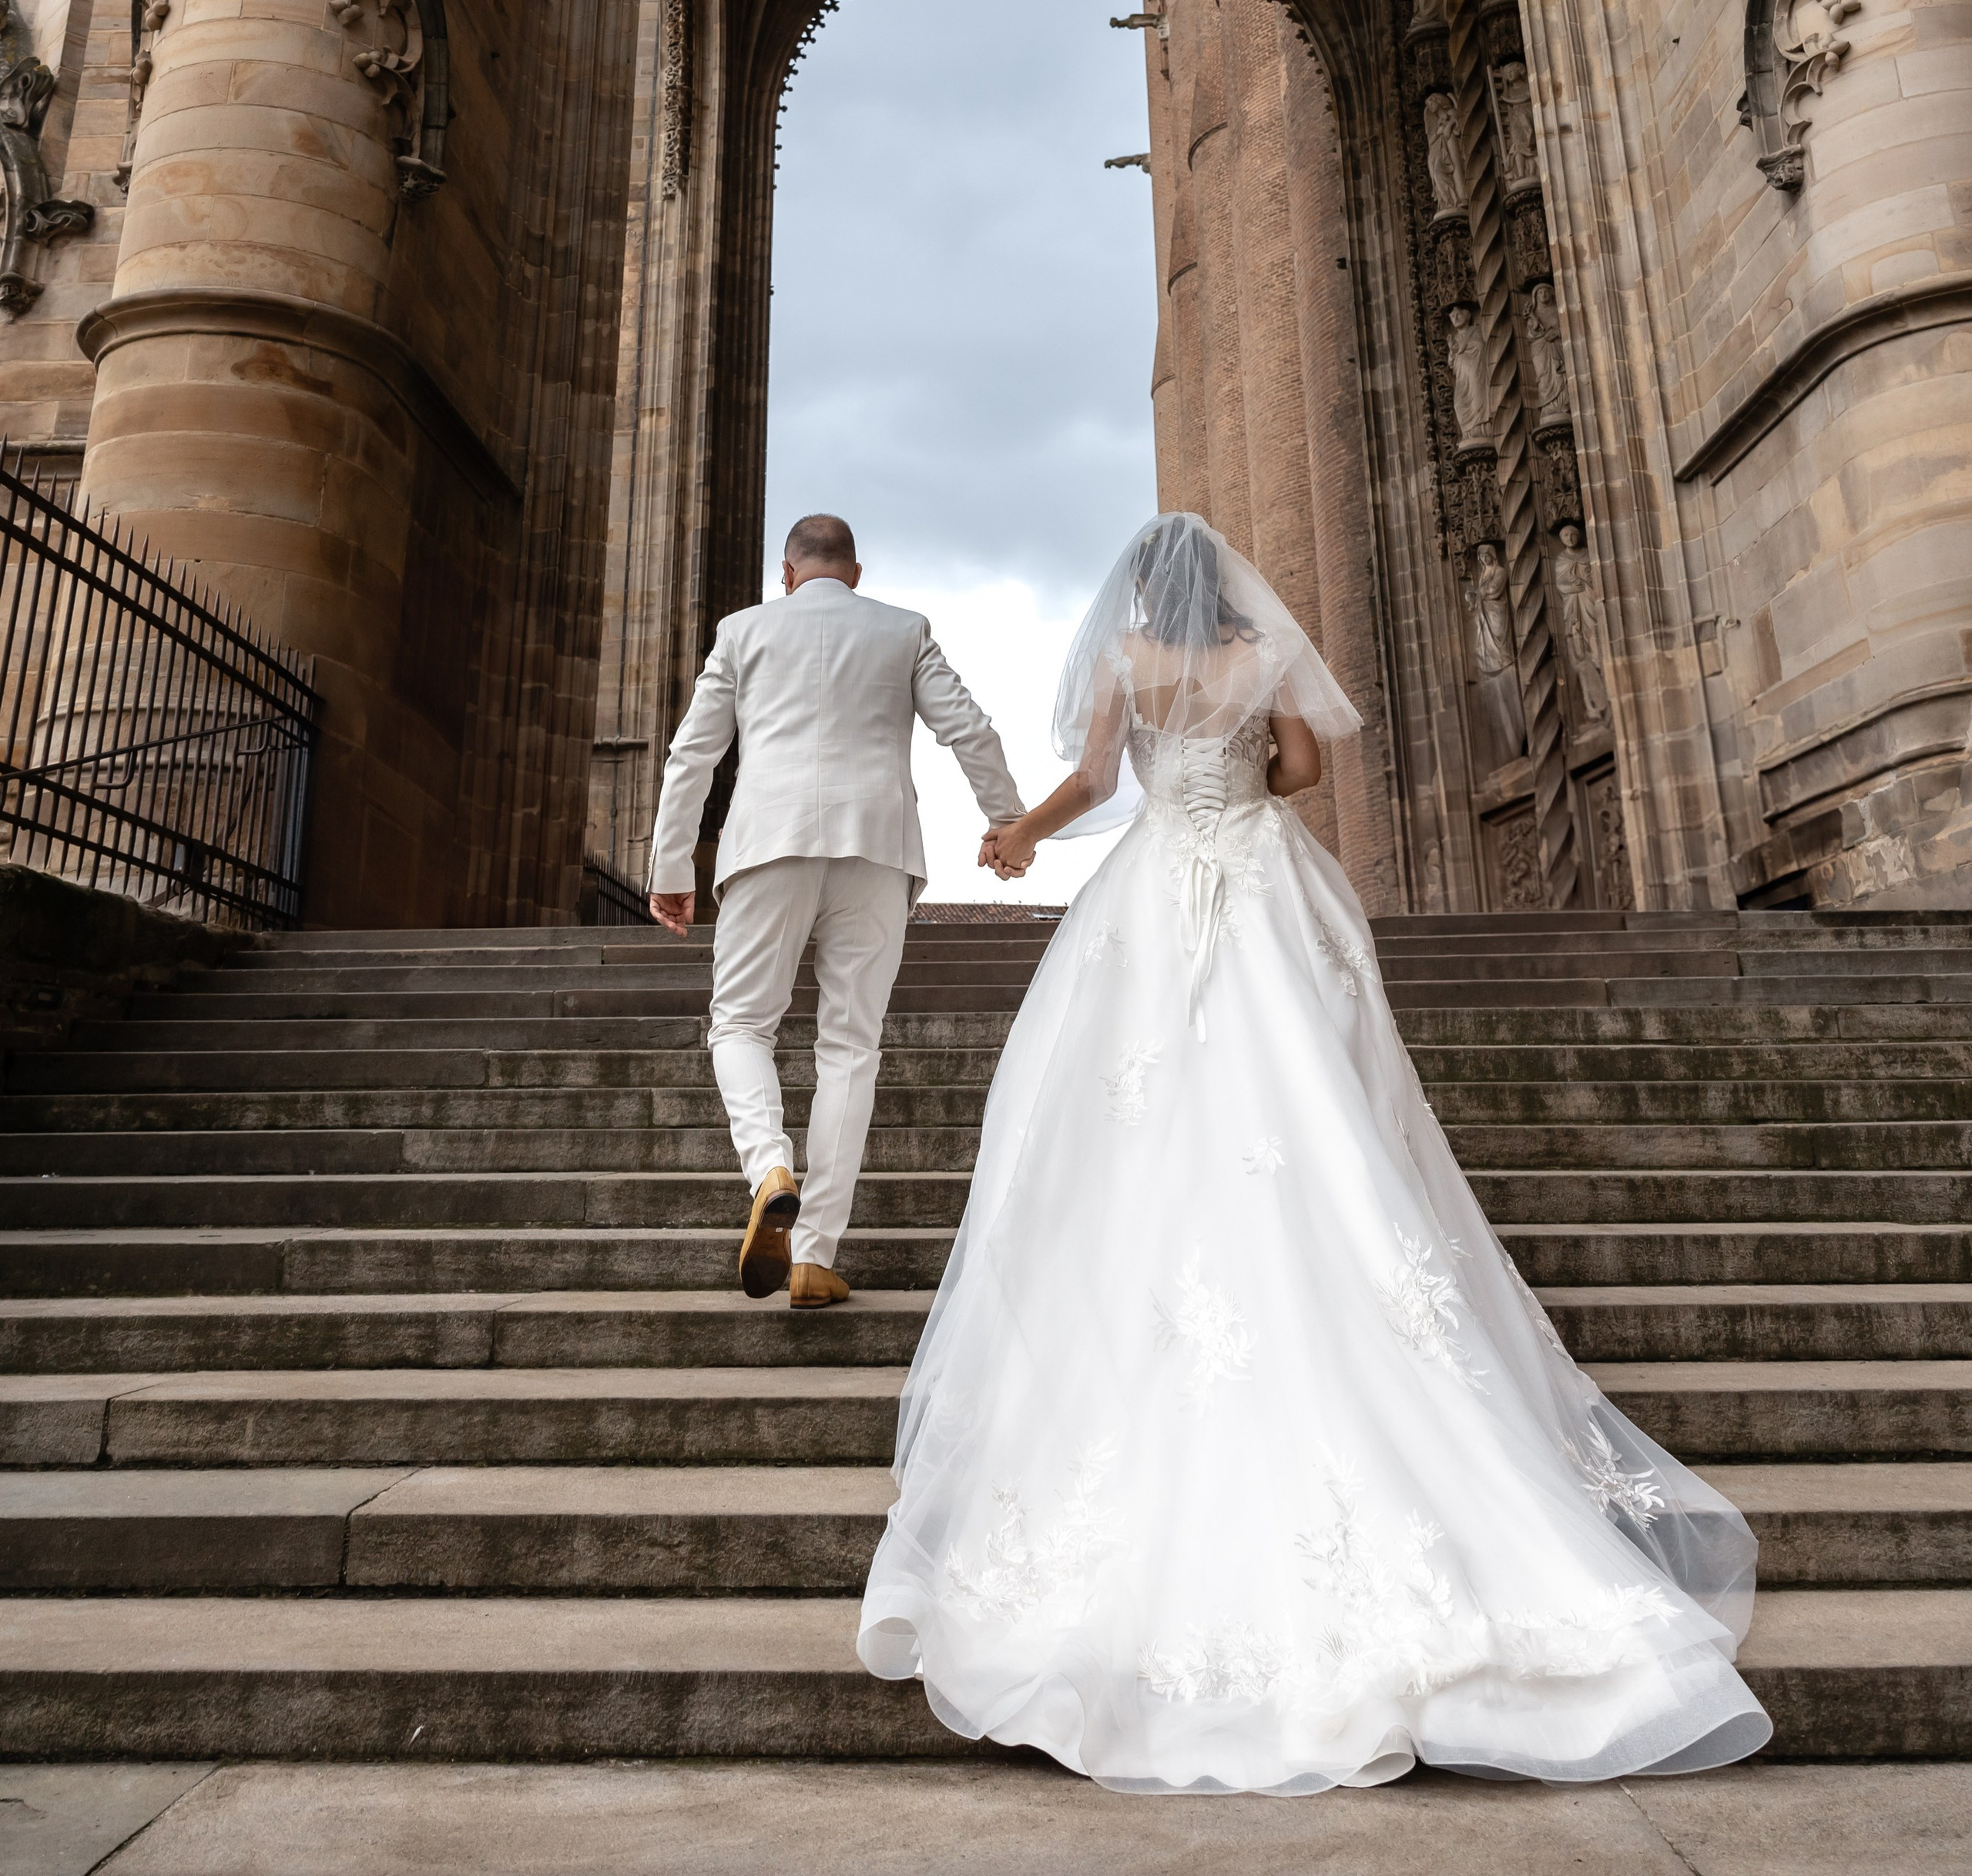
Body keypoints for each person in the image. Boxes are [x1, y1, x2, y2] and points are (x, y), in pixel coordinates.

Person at [857, 511, 1770, 1790]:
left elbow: (1107, 783)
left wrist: (1019, 832)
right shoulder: (1263, 657)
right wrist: (1252, 775)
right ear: (1222, 586)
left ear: (1138, 591)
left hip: (1155, 883)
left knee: (1134, 1107)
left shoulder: (1127, 661)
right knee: (1303, 1093)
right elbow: (1302, 773)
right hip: (1259, 880)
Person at [648, 512, 1025, 1307]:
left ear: (785, 574)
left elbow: (693, 753)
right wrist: (1006, 822)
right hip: (877, 848)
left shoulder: (743, 631)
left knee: (742, 1025)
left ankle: (768, 1168)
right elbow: (970, 729)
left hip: (767, 844)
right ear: (855, 573)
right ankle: (814, 1254)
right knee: (850, 1046)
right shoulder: (903, 629)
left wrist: (672, 863)